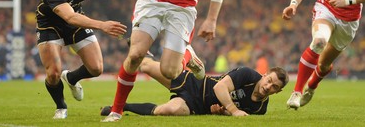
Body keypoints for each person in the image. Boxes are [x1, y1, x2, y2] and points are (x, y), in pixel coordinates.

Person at [36, 0, 127, 119]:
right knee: (53, 73)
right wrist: (102, 25)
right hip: (50, 24)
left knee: (96, 68)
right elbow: (69, 18)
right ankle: (61, 107)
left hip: (75, 18)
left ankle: (71, 78)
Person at [100, 57, 289, 117]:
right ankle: (141, 52)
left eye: (274, 86)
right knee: (146, 66)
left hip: (197, 106)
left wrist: (222, 112)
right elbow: (219, 89)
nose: (268, 86)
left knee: (168, 110)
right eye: (269, 80)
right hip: (196, 83)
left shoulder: (260, 109)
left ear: (278, 91)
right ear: (264, 76)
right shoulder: (248, 74)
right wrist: (232, 110)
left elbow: (229, 112)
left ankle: (119, 108)